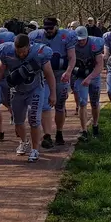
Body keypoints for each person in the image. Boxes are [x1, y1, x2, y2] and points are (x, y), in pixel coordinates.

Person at [0, 34, 56, 163]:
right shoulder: (6, 51)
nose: (21, 54)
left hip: (35, 89)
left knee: (34, 119)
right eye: (18, 52)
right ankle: (23, 141)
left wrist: (53, 93)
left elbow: (49, 73)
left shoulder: (40, 52)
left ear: (29, 47)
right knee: (18, 121)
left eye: (24, 51)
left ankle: (35, 149)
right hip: (17, 91)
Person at [29, 18, 77, 147]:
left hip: (60, 73)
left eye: (51, 28)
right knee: (45, 104)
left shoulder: (67, 36)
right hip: (43, 74)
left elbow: (72, 57)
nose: (48, 30)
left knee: (59, 105)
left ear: (57, 26)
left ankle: (59, 132)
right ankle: (47, 135)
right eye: (46, 28)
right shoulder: (36, 36)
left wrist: (68, 72)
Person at [72, 26, 105, 140]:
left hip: (93, 75)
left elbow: (100, 65)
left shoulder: (94, 44)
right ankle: (84, 130)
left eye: (83, 39)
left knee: (95, 103)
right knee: (82, 102)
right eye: (79, 39)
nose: (81, 41)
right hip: (80, 75)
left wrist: (90, 77)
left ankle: (95, 125)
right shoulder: (73, 45)